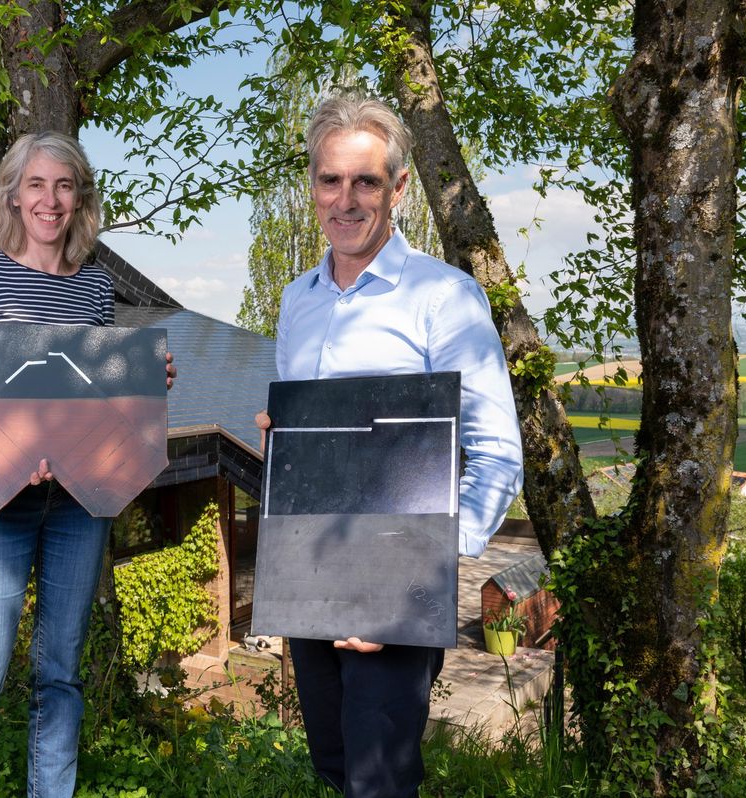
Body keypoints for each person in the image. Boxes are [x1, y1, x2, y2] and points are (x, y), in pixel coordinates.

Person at [256, 94, 523, 797]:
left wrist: (411, 585)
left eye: (366, 181)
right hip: (309, 573)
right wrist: (283, 441)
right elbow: (315, 447)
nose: (346, 199)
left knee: (380, 779)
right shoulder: (296, 301)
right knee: (336, 766)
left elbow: (497, 454)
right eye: (330, 180)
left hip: (397, 586)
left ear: (398, 189)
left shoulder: (446, 297)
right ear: (312, 185)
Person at [0, 131, 175, 798]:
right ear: (15, 194)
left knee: (60, 676)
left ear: (80, 198)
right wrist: (11, 455)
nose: (50, 199)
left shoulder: (93, 287)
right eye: (36, 184)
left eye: (64, 185)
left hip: (77, 508)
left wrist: (145, 380)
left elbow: (91, 400)